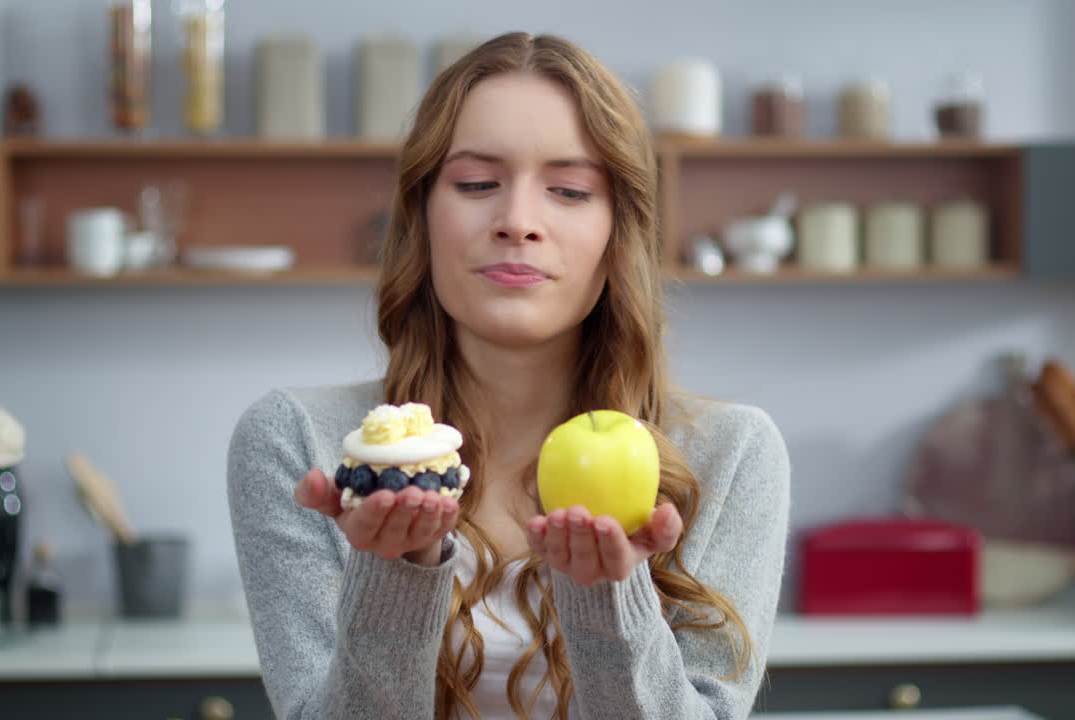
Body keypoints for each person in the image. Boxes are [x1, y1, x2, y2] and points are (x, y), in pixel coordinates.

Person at [227, 31, 790, 720]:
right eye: (476, 184)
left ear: (619, 232)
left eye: (569, 190)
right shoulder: (303, 443)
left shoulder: (730, 456)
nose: (518, 221)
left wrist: (610, 599)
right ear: (422, 216)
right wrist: (397, 574)